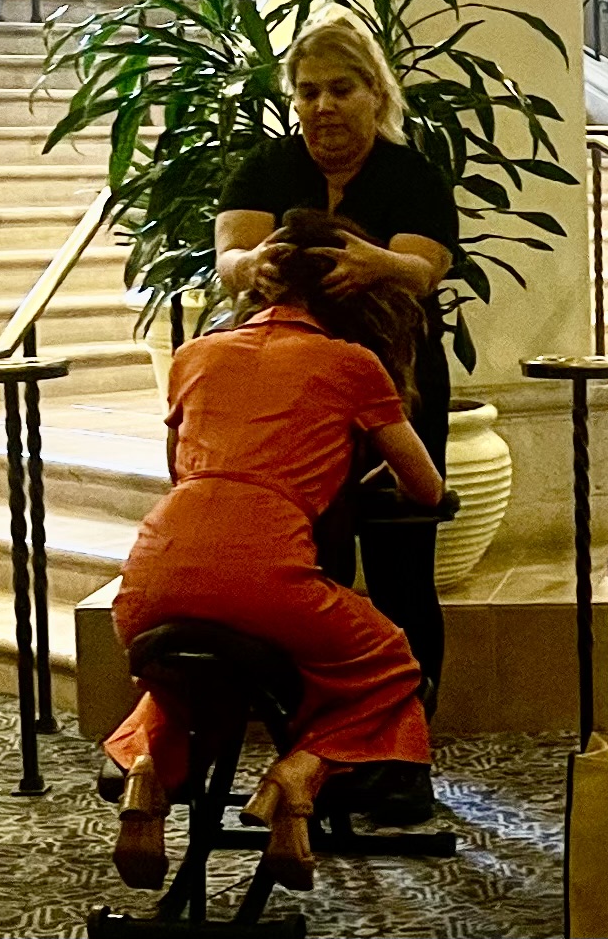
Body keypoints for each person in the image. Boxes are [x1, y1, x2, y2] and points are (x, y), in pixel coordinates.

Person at [103, 210, 445, 894]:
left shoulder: (194, 354)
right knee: (387, 664)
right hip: (263, 568)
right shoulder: (353, 362)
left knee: (179, 682)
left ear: (262, 286)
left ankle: (145, 770)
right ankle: (296, 776)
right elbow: (427, 487)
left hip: (151, 570)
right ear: (352, 294)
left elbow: (181, 465)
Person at [215, 17, 459, 706]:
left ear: (375, 95)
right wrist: (253, 265)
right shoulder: (265, 167)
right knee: (304, 564)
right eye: (307, 92)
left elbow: (423, 268)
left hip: (396, 386)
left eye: (340, 89)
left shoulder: (409, 174)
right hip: (289, 392)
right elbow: (229, 258)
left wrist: (374, 263)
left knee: (401, 565)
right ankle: (315, 731)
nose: (322, 106)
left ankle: (407, 731)